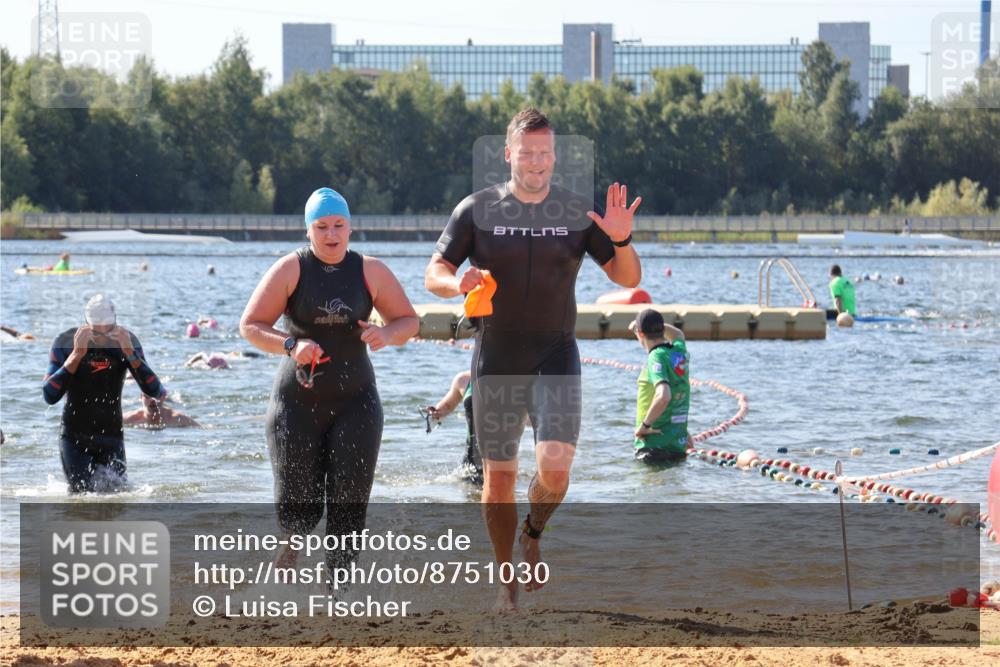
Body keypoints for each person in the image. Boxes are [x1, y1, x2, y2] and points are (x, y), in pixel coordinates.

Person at [424, 107, 643, 611]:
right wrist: (456, 281)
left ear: (555, 155)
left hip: (555, 353)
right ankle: (506, 582)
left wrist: (621, 238)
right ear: (509, 154)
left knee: (556, 466)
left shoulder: (577, 211)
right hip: (497, 356)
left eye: (545, 153)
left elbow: (627, 280)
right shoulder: (475, 209)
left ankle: (534, 530)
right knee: (498, 477)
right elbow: (435, 269)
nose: (537, 162)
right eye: (527, 153)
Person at [240, 187, 419, 573]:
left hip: (356, 401)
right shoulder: (291, 269)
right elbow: (250, 326)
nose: (331, 234)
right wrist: (290, 344)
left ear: (350, 227)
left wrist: (386, 334)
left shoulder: (370, 270)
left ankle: (336, 591)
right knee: (297, 505)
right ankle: (287, 563)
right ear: (308, 230)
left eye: (339, 225)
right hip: (296, 404)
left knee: (349, 503)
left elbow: (409, 321)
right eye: (321, 226)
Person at [42, 294, 165, 492]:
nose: (101, 339)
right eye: (95, 333)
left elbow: (155, 390)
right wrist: (76, 355)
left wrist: (130, 353)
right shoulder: (65, 342)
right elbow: (49, 395)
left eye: (107, 333)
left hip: (112, 438)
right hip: (75, 438)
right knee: (82, 500)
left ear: (115, 324)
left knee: (116, 502)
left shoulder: (127, 341)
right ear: (85, 324)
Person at [629, 309, 693, 464]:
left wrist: (644, 426)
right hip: (677, 446)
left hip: (653, 447)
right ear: (662, 330)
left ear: (640, 334)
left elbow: (664, 396)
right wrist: (654, 324)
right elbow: (678, 333)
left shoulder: (655, 356)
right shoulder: (679, 351)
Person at [424, 370, 483, 486]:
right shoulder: (463, 379)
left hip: (502, 456)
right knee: (472, 498)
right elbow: (447, 405)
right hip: (471, 461)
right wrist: (435, 412)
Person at [123, 393, 200, 428]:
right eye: (147, 396)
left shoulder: (179, 419)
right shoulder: (128, 418)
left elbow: (202, 430)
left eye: (156, 396)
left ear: (164, 397)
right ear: (141, 397)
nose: (152, 400)